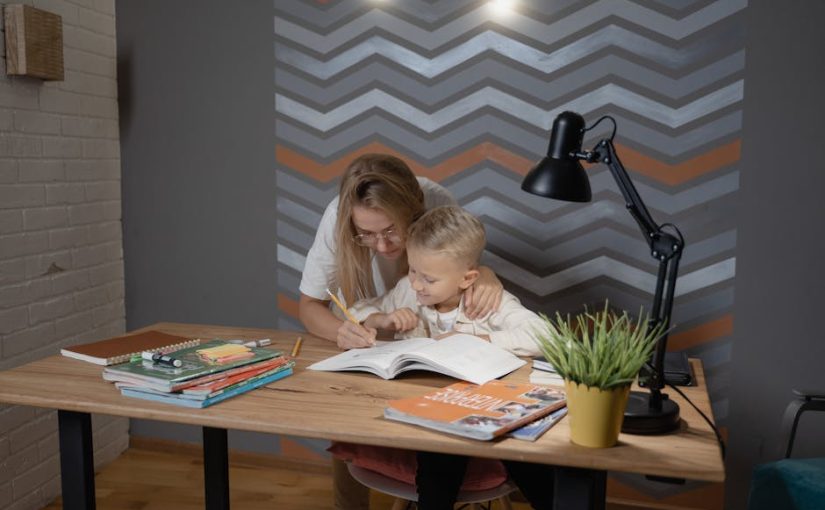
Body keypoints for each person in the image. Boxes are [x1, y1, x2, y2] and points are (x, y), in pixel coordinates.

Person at [297, 154, 505, 510]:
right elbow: (308, 305)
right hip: (367, 331)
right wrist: (342, 332)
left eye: (392, 230)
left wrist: (485, 274)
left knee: (432, 424)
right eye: (367, 234)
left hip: (424, 335)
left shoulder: (436, 200)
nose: (381, 246)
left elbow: (460, 260)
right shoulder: (338, 217)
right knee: (350, 422)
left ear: (415, 210)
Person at [349, 206, 555, 509]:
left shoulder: (488, 302)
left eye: (428, 279)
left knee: (523, 454)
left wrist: (479, 340)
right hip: (425, 415)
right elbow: (355, 310)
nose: (416, 284)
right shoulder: (408, 292)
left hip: (482, 410)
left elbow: (547, 336)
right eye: (412, 270)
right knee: (439, 450)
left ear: (467, 278)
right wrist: (382, 319)